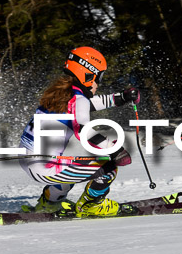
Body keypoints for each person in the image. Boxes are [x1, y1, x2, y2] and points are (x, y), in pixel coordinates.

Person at [17, 46, 140, 217]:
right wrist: (115, 150)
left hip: (29, 161)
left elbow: (89, 104)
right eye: (99, 78)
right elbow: (84, 130)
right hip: (45, 167)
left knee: (71, 168)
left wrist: (121, 98)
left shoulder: (59, 93)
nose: (98, 84)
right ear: (88, 75)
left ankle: (49, 203)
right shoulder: (78, 99)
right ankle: (90, 205)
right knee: (109, 166)